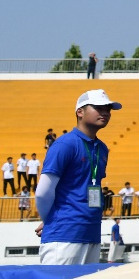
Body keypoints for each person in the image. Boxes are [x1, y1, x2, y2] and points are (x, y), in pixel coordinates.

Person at [34, 89, 121, 265]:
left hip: (92, 234)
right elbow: (43, 192)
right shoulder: (65, 144)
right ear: (79, 112)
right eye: (98, 107)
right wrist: (49, 220)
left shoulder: (102, 148)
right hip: (64, 236)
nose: (105, 112)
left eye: (108, 109)